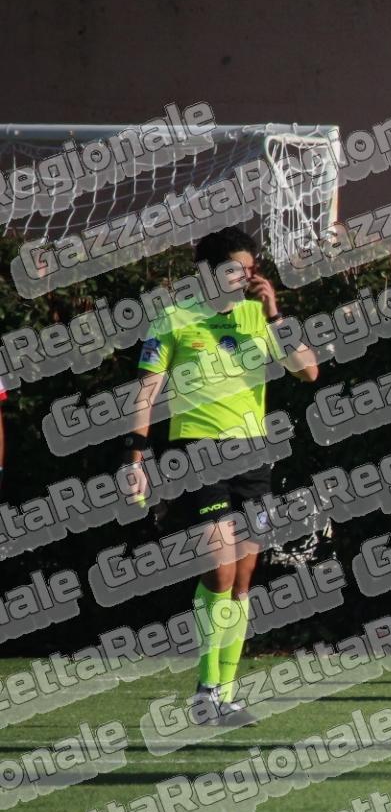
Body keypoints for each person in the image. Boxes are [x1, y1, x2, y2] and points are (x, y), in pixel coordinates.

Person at [124, 227, 321, 726]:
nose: (245, 278)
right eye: (235, 269)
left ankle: (225, 695)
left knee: (243, 580)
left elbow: (308, 371)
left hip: (252, 456)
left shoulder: (259, 316)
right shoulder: (174, 318)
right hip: (196, 453)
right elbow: (145, 393)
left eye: (250, 270)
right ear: (207, 272)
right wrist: (135, 458)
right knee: (219, 568)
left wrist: (274, 313)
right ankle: (207, 689)